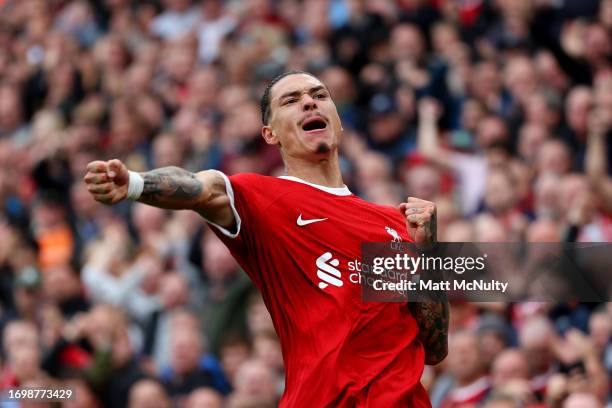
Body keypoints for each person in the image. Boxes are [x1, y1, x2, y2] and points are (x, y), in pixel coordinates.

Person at [84, 71, 448, 407]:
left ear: (337, 120)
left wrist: (428, 252)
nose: (309, 102)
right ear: (270, 134)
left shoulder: (394, 222)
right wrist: (134, 183)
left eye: (319, 95)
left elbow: (435, 347)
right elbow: (197, 188)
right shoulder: (260, 196)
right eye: (291, 100)